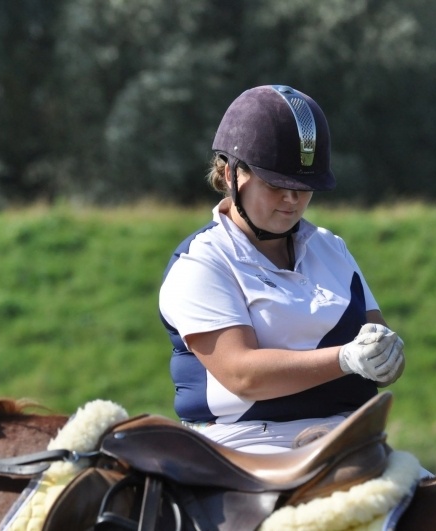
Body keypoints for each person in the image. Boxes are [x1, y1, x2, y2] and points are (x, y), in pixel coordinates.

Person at [158, 85, 405, 454]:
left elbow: (376, 340)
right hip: (247, 444)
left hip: (350, 436)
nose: (292, 199)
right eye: (276, 184)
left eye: (304, 186)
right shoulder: (201, 263)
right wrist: (345, 359)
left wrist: (386, 357)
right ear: (231, 174)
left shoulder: (331, 248)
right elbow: (242, 374)